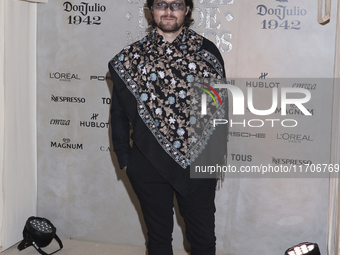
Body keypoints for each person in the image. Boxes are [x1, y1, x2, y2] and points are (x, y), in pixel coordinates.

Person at [109, 0, 227, 254]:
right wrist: (126, 159)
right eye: (162, 4)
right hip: (148, 161)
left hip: (198, 162)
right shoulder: (132, 57)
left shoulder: (207, 52)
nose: (169, 10)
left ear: (187, 10)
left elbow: (219, 110)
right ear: (151, 9)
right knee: (159, 238)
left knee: (203, 237)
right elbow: (118, 113)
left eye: (176, 4)